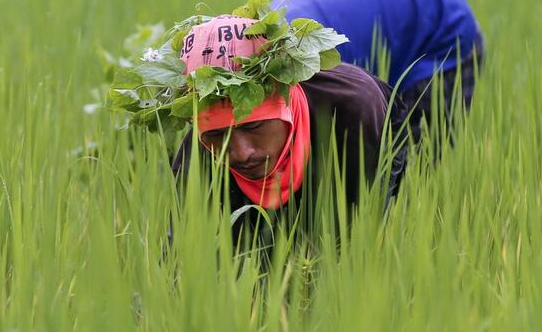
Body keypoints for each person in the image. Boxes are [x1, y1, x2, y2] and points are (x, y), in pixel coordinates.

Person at [170, 14, 407, 223]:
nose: (242, 153)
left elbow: (354, 234)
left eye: (253, 125)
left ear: (286, 106)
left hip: (361, 135)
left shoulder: (352, 108)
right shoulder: (198, 152)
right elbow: (180, 255)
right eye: (217, 133)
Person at [272, 0, 484, 143]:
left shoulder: (313, 68)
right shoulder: (250, 47)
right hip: (376, 14)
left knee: (404, 170)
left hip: (442, 33)